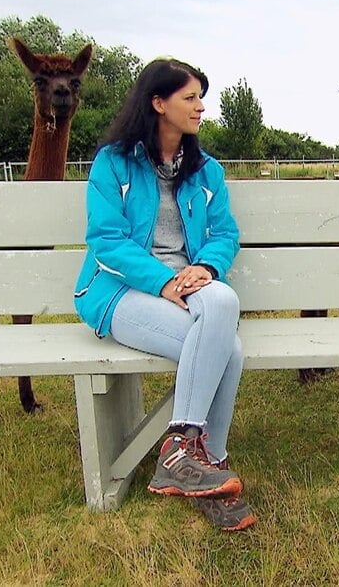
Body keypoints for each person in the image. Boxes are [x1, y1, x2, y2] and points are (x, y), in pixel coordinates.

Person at [73, 57, 255, 532]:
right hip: (121, 291)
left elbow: (225, 232)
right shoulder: (113, 162)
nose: (200, 108)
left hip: (190, 281)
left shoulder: (205, 170)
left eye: (201, 98)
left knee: (223, 301)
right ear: (158, 102)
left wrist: (205, 266)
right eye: (189, 98)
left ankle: (180, 449)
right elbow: (106, 241)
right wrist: (163, 281)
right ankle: (208, 464)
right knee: (228, 351)